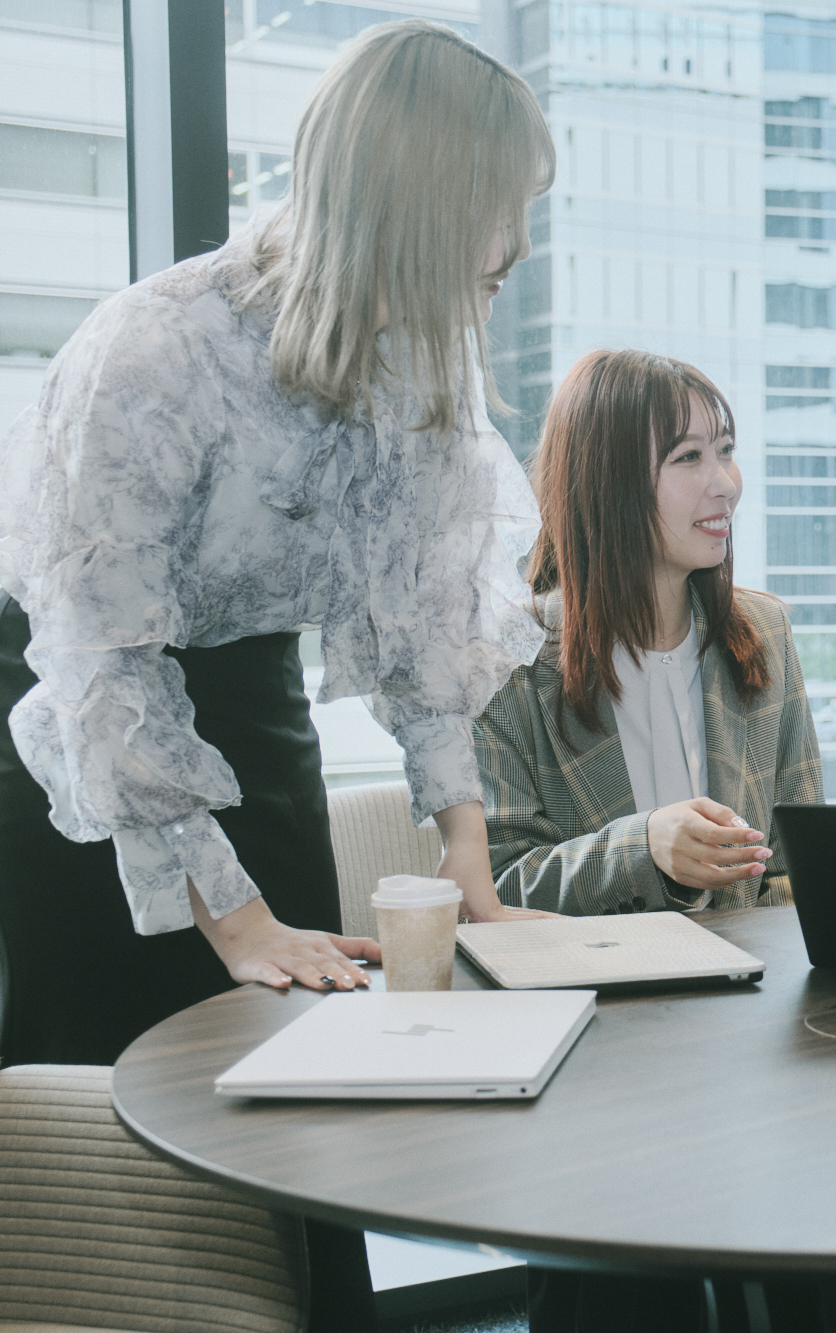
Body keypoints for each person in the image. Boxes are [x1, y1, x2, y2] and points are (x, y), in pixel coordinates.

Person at [0, 17, 556, 1328]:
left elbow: (425, 640)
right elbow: (96, 652)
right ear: (416, 203)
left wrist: (471, 873)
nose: (518, 252)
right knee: (144, 1126)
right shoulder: (155, 349)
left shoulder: (413, 376)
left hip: (253, 713)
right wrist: (234, 922)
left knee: (302, 1114)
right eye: (501, 211)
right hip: (86, 750)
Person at [473, 348, 824, 1333]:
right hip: (600, 1056)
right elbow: (490, 890)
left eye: (728, 450)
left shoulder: (762, 633)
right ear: (609, 483)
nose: (726, 483)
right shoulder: (505, 661)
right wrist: (643, 848)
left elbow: (807, 859)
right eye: (688, 457)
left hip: (758, 1039)